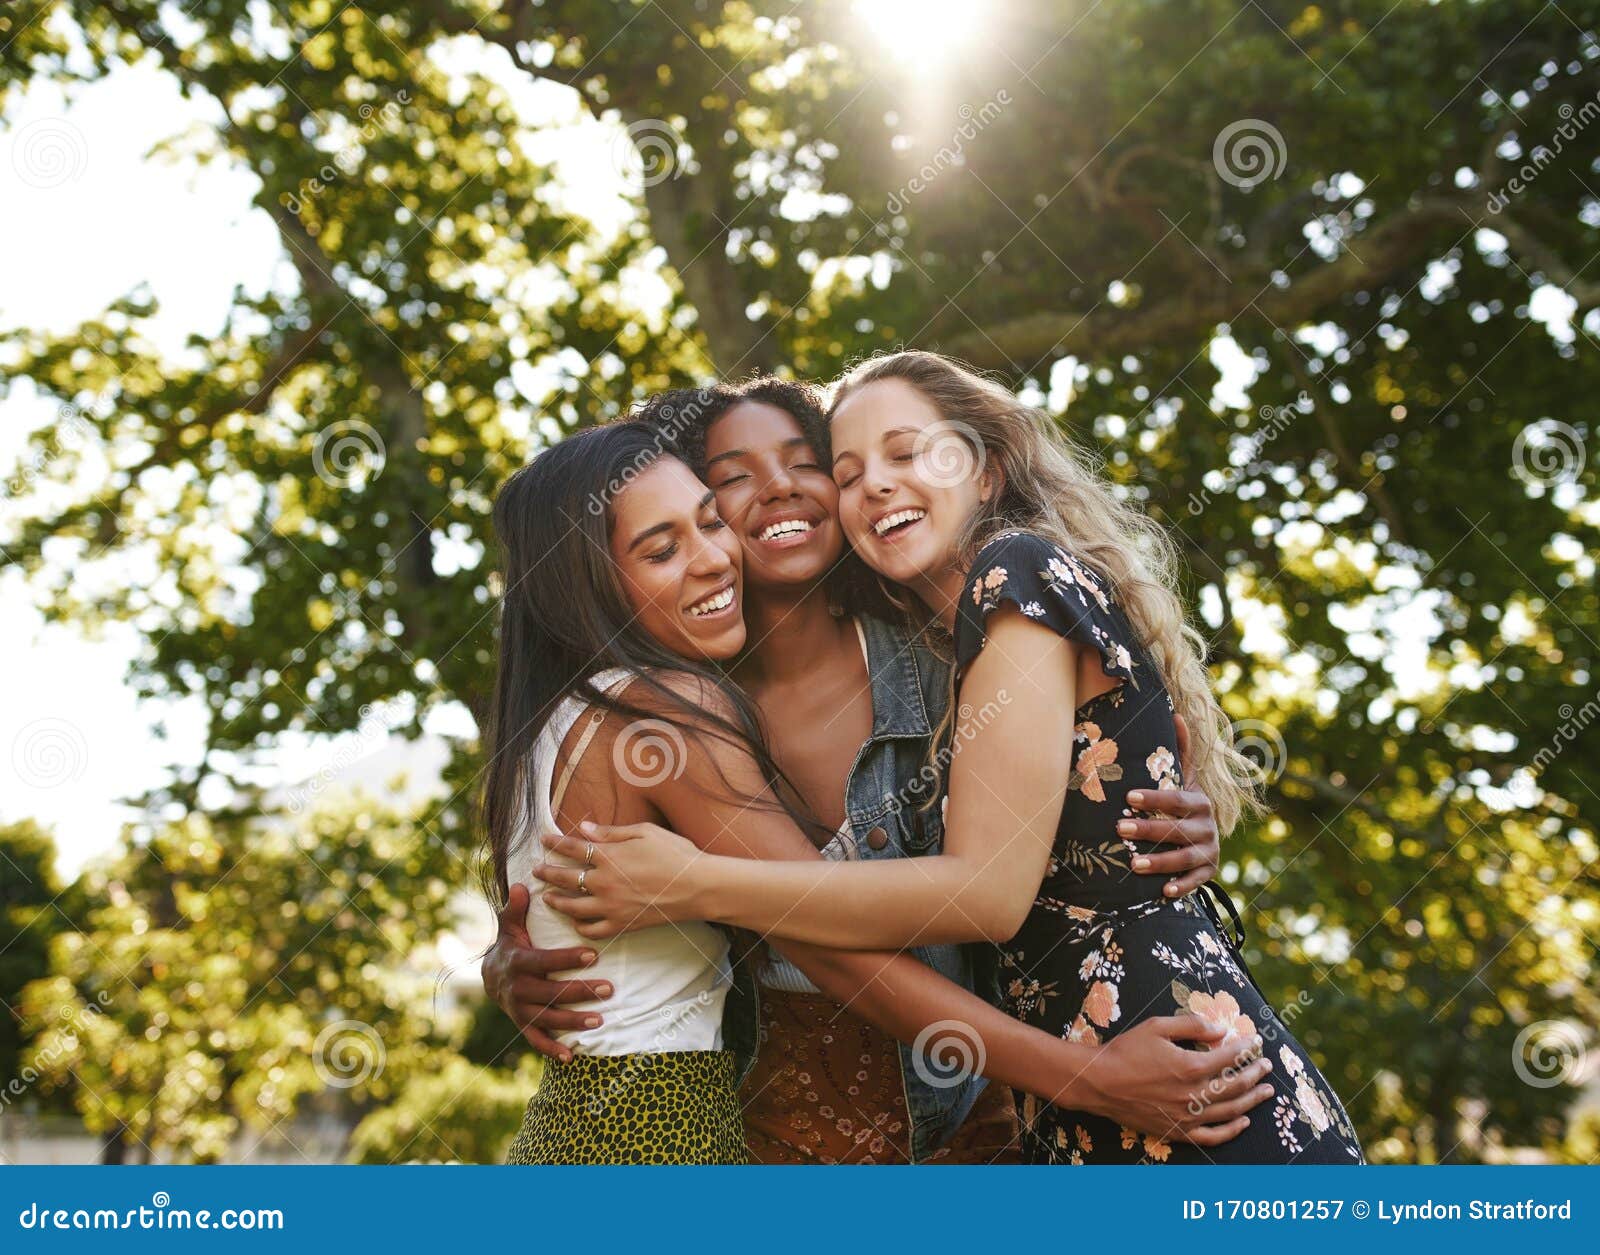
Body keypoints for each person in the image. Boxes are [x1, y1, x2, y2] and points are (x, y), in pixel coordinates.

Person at [534, 353, 1366, 1164]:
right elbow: (575, 886)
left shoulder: (951, 654)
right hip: (789, 1141)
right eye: (731, 477)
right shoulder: (672, 708)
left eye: (808, 462)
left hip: (1000, 1128)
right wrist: (522, 958)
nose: (783, 486)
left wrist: (1175, 824)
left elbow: (1016, 864)